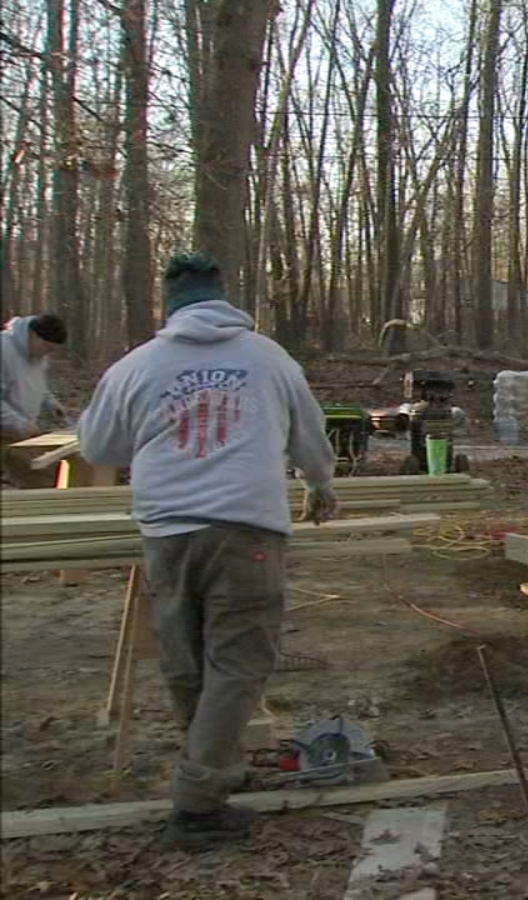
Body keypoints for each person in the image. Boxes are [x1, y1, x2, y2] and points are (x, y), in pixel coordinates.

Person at [78, 253, 340, 849]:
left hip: (167, 531)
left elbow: (98, 445)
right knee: (239, 661)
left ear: (168, 307)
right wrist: (320, 483)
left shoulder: (137, 366)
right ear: (225, 299)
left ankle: (208, 767)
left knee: (187, 658)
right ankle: (198, 803)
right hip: (244, 528)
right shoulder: (266, 358)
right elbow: (310, 436)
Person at [1, 313, 69, 488]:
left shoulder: (39, 356)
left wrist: (51, 403)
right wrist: (19, 423)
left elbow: (39, 385)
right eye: (46, 346)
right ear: (32, 334)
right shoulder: (4, 350)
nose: (48, 352)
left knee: (46, 473)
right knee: (38, 477)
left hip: (19, 433)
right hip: (7, 431)